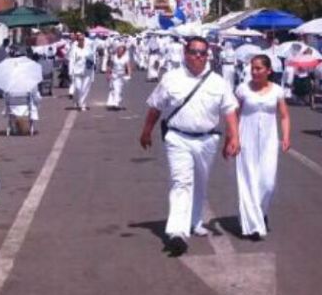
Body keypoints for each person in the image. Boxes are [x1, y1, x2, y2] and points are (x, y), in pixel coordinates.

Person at [139, 36, 240, 257]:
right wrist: (146, 131)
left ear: (208, 56)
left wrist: (234, 137)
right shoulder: (171, 79)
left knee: (200, 182)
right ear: (185, 53)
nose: (198, 56)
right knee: (181, 182)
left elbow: (230, 110)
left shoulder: (218, 82)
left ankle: (195, 221)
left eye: (203, 52)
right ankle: (177, 232)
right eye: (194, 51)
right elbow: (156, 107)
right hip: (178, 137)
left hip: (207, 140)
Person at [235, 55, 290, 240]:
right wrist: (232, 138)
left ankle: (260, 212)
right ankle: (253, 225)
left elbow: (284, 116)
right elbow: (233, 114)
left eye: (258, 68)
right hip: (246, 139)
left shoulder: (277, 91)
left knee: (267, 183)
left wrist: (286, 137)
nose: (254, 72)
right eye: (253, 68)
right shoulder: (243, 89)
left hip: (268, 141)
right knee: (249, 180)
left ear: (269, 71)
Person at [69, 33, 96, 111]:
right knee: (78, 88)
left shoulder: (89, 48)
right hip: (77, 71)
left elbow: (93, 59)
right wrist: (70, 72)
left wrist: (92, 62)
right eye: (79, 39)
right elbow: (72, 61)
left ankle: (82, 103)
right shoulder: (75, 48)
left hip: (87, 71)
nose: (81, 41)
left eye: (82, 39)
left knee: (85, 88)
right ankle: (77, 100)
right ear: (77, 40)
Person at [106, 43, 132, 110]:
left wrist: (129, 75)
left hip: (121, 76)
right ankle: (113, 103)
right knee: (113, 89)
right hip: (114, 75)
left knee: (118, 90)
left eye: (122, 50)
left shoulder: (126, 58)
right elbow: (110, 66)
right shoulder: (113, 57)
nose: (120, 51)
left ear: (123, 52)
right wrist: (108, 74)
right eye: (119, 50)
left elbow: (128, 67)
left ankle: (116, 103)